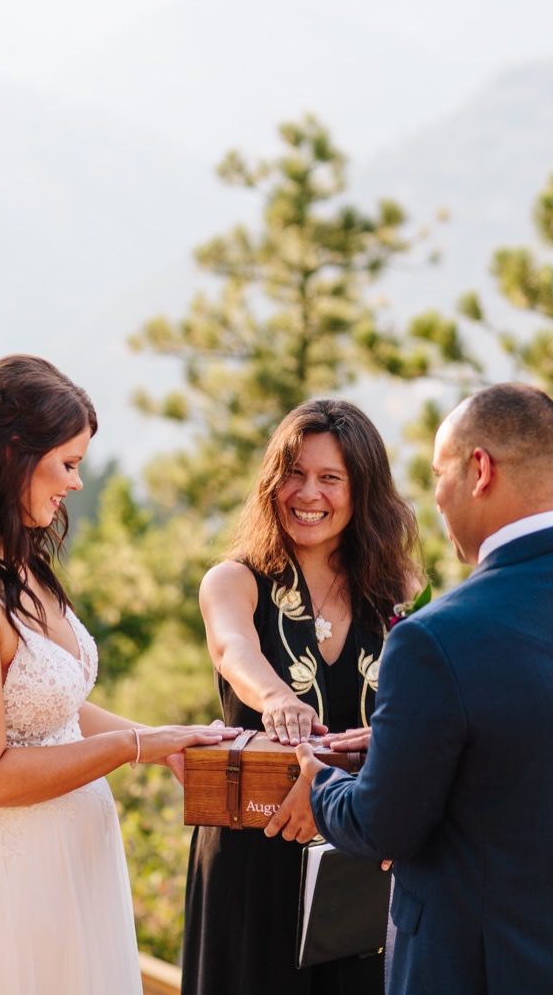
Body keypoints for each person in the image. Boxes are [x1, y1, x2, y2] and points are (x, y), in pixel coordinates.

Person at [302, 383, 553, 995]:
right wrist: (412, 741)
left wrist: (320, 780)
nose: (436, 498)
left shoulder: (437, 637)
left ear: (479, 469)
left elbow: (383, 828)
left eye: (437, 475)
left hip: (483, 970)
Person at [0, 355, 236, 994]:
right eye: (68, 464)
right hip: (2, 883)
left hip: (73, 869)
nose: (75, 484)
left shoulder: (13, 562)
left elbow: (55, 708)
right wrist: (130, 749)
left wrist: (164, 744)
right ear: (15, 452)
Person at [181, 398, 423, 995]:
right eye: (293, 472)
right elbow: (233, 650)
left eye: (329, 478)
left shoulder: (395, 595)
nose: (306, 492)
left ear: (362, 490)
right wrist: (276, 699)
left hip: (353, 860)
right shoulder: (234, 579)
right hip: (253, 857)